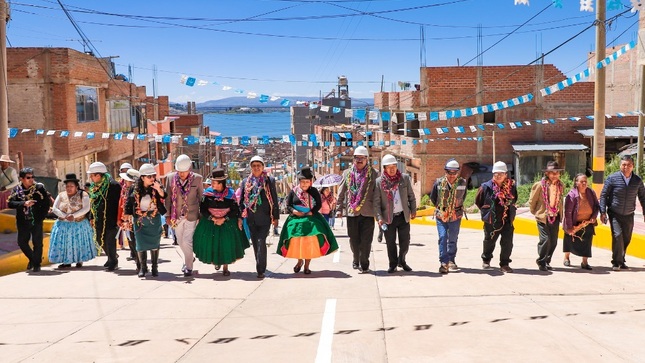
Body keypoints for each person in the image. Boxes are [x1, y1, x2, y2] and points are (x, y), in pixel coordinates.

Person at [277, 166, 339, 275]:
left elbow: (318, 204)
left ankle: (306, 266)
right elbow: (288, 205)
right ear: (299, 181)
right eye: (303, 182)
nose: (305, 184)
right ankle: (299, 261)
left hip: (311, 217)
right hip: (296, 217)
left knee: (311, 239)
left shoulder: (314, 191)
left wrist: (312, 212)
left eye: (307, 182)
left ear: (310, 182)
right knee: (295, 238)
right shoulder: (294, 191)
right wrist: (294, 212)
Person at [193, 168, 249, 276]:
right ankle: (216, 261)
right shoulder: (207, 194)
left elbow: (235, 210)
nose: (212, 184)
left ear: (221, 183)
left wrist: (224, 219)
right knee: (212, 243)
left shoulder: (230, 195)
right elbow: (203, 209)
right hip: (211, 222)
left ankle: (225, 266)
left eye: (214, 182)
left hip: (227, 222)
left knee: (225, 244)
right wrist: (213, 218)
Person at [599, 155, 645, 271]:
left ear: (633, 166)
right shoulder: (612, 178)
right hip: (615, 213)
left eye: (629, 165)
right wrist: (603, 212)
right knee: (617, 235)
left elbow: (643, 197)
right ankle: (616, 262)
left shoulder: (637, 181)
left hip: (629, 214)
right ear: (620, 165)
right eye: (624, 165)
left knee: (626, 238)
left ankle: (621, 259)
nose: (626, 167)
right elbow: (604, 195)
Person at [336, 146, 378, 273]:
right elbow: (341, 192)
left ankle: (364, 262)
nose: (359, 160)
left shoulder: (374, 174)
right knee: (354, 240)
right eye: (357, 158)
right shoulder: (347, 173)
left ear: (367, 159)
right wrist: (339, 209)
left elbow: (377, 194)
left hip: (368, 212)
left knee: (366, 240)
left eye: (362, 158)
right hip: (352, 212)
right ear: (353, 159)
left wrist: (379, 211)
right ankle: (356, 258)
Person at [374, 154, 417, 273]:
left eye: (394, 166)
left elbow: (411, 196)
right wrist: (379, 218)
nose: (392, 169)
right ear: (385, 168)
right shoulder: (379, 183)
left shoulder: (405, 178)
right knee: (390, 243)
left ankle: (402, 260)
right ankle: (392, 264)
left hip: (403, 216)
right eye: (389, 167)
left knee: (405, 242)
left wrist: (413, 210)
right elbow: (376, 203)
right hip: (388, 218)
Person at [239, 155, 280, 279]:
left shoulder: (269, 180)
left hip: (265, 217)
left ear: (263, 167)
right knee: (255, 243)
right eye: (254, 166)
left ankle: (260, 269)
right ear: (251, 168)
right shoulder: (246, 182)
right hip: (251, 218)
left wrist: (275, 217)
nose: (256, 168)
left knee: (261, 240)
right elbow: (241, 200)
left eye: (259, 166)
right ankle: (260, 263)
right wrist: (240, 216)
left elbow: (274, 198)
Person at [164, 154, 203, 277]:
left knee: (187, 241)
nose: (181, 174)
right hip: (176, 216)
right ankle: (189, 258)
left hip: (191, 214)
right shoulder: (170, 178)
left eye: (184, 172)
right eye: (179, 171)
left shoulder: (197, 179)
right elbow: (168, 198)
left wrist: (201, 215)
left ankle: (188, 267)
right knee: (180, 241)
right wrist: (167, 215)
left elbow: (200, 197)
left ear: (189, 169)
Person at [475, 161, 517, 273]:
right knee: (489, 241)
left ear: (506, 174)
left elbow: (514, 199)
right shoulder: (486, 187)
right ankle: (486, 259)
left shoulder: (511, 186)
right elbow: (478, 201)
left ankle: (504, 263)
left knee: (507, 242)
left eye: (501, 173)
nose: (498, 176)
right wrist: (487, 211)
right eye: (496, 174)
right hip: (491, 220)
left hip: (507, 219)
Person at [125, 164, 166, 277]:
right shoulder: (135, 188)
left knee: (154, 243)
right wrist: (127, 217)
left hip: (153, 218)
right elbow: (128, 203)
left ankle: (154, 267)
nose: (152, 178)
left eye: (153, 176)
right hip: (139, 219)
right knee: (140, 244)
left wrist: (159, 189)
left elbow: (164, 196)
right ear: (142, 177)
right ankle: (143, 267)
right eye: (149, 176)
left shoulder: (156, 186)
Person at [8, 167, 51, 272]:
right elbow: (10, 203)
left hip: (36, 219)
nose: (31, 179)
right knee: (22, 242)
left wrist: (41, 216)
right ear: (22, 179)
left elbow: (46, 203)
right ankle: (32, 259)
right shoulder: (16, 190)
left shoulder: (39, 188)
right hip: (23, 221)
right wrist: (23, 203)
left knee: (37, 242)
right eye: (28, 177)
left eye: (32, 177)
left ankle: (37, 265)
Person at [48, 173, 96, 268]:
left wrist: (73, 216)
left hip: (79, 223)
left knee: (78, 242)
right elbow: (55, 208)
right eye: (67, 186)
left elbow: (86, 208)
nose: (69, 188)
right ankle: (66, 261)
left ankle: (79, 260)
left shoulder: (84, 195)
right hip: (63, 224)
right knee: (65, 243)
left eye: (71, 186)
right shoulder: (61, 195)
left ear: (76, 187)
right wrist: (65, 216)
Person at [430, 159, 467, 274]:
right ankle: (443, 262)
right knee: (443, 237)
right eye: (449, 172)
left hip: (456, 216)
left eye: (454, 173)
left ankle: (451, 259)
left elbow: (463, 197)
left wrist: (455, 208)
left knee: (453, 238)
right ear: (445, 172)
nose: (452, 175)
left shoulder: (463, 183)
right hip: (442, 215)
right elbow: (433, 198)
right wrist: (443, 209)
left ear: (458, 173)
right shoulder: (438, 183)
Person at [529, 161, 565, 272]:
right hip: (543, 217)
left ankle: (547, 260)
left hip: (555, 216)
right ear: (547, 174)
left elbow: (560, 201)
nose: (555, 175)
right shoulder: (540, 185)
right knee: (545, 239)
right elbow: (532, 201)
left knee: (553, 241)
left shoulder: (560, 185)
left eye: (556, 173)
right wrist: (537, 213)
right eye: (552, 173)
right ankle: (541, 261)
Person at [87, 162, 122, 271]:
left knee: (110, 240)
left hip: (111, 219)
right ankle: (111, 256)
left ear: (98, 175)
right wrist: (91, 216)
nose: (91, 178)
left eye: (92, 175)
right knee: (99, 239)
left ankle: (113, 261)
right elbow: (92, 202)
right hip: (99, 219)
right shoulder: (94, 187)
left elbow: (118, 203)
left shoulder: (113, 185)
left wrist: (119, 219)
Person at [563, 174, 599, 270]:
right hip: (574, 222)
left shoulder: (591, 192)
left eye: (585, 181)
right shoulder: (571, 195)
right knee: (569, 240)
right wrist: (570, 227)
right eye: (581, 181)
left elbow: (596, 206)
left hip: (587, 222)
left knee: (587, 241)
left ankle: (584, 262)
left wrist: (594, 216)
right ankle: (566, 258)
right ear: (576, 182)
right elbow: (568, 212)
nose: (584, 183)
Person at [118, 168, 140, 271]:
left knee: (136, 242)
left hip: (136, 219)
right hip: (128, 221)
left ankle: (141, 264)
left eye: (127, 180)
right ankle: (138, 262)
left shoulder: (138, 191)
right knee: (132, 241)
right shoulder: (125, 190)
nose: (125, 182)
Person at [116, 163, 133, 250]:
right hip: (123, 211)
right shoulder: (120, 185)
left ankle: (134, 252)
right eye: (123, 171)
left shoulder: (134, 185)